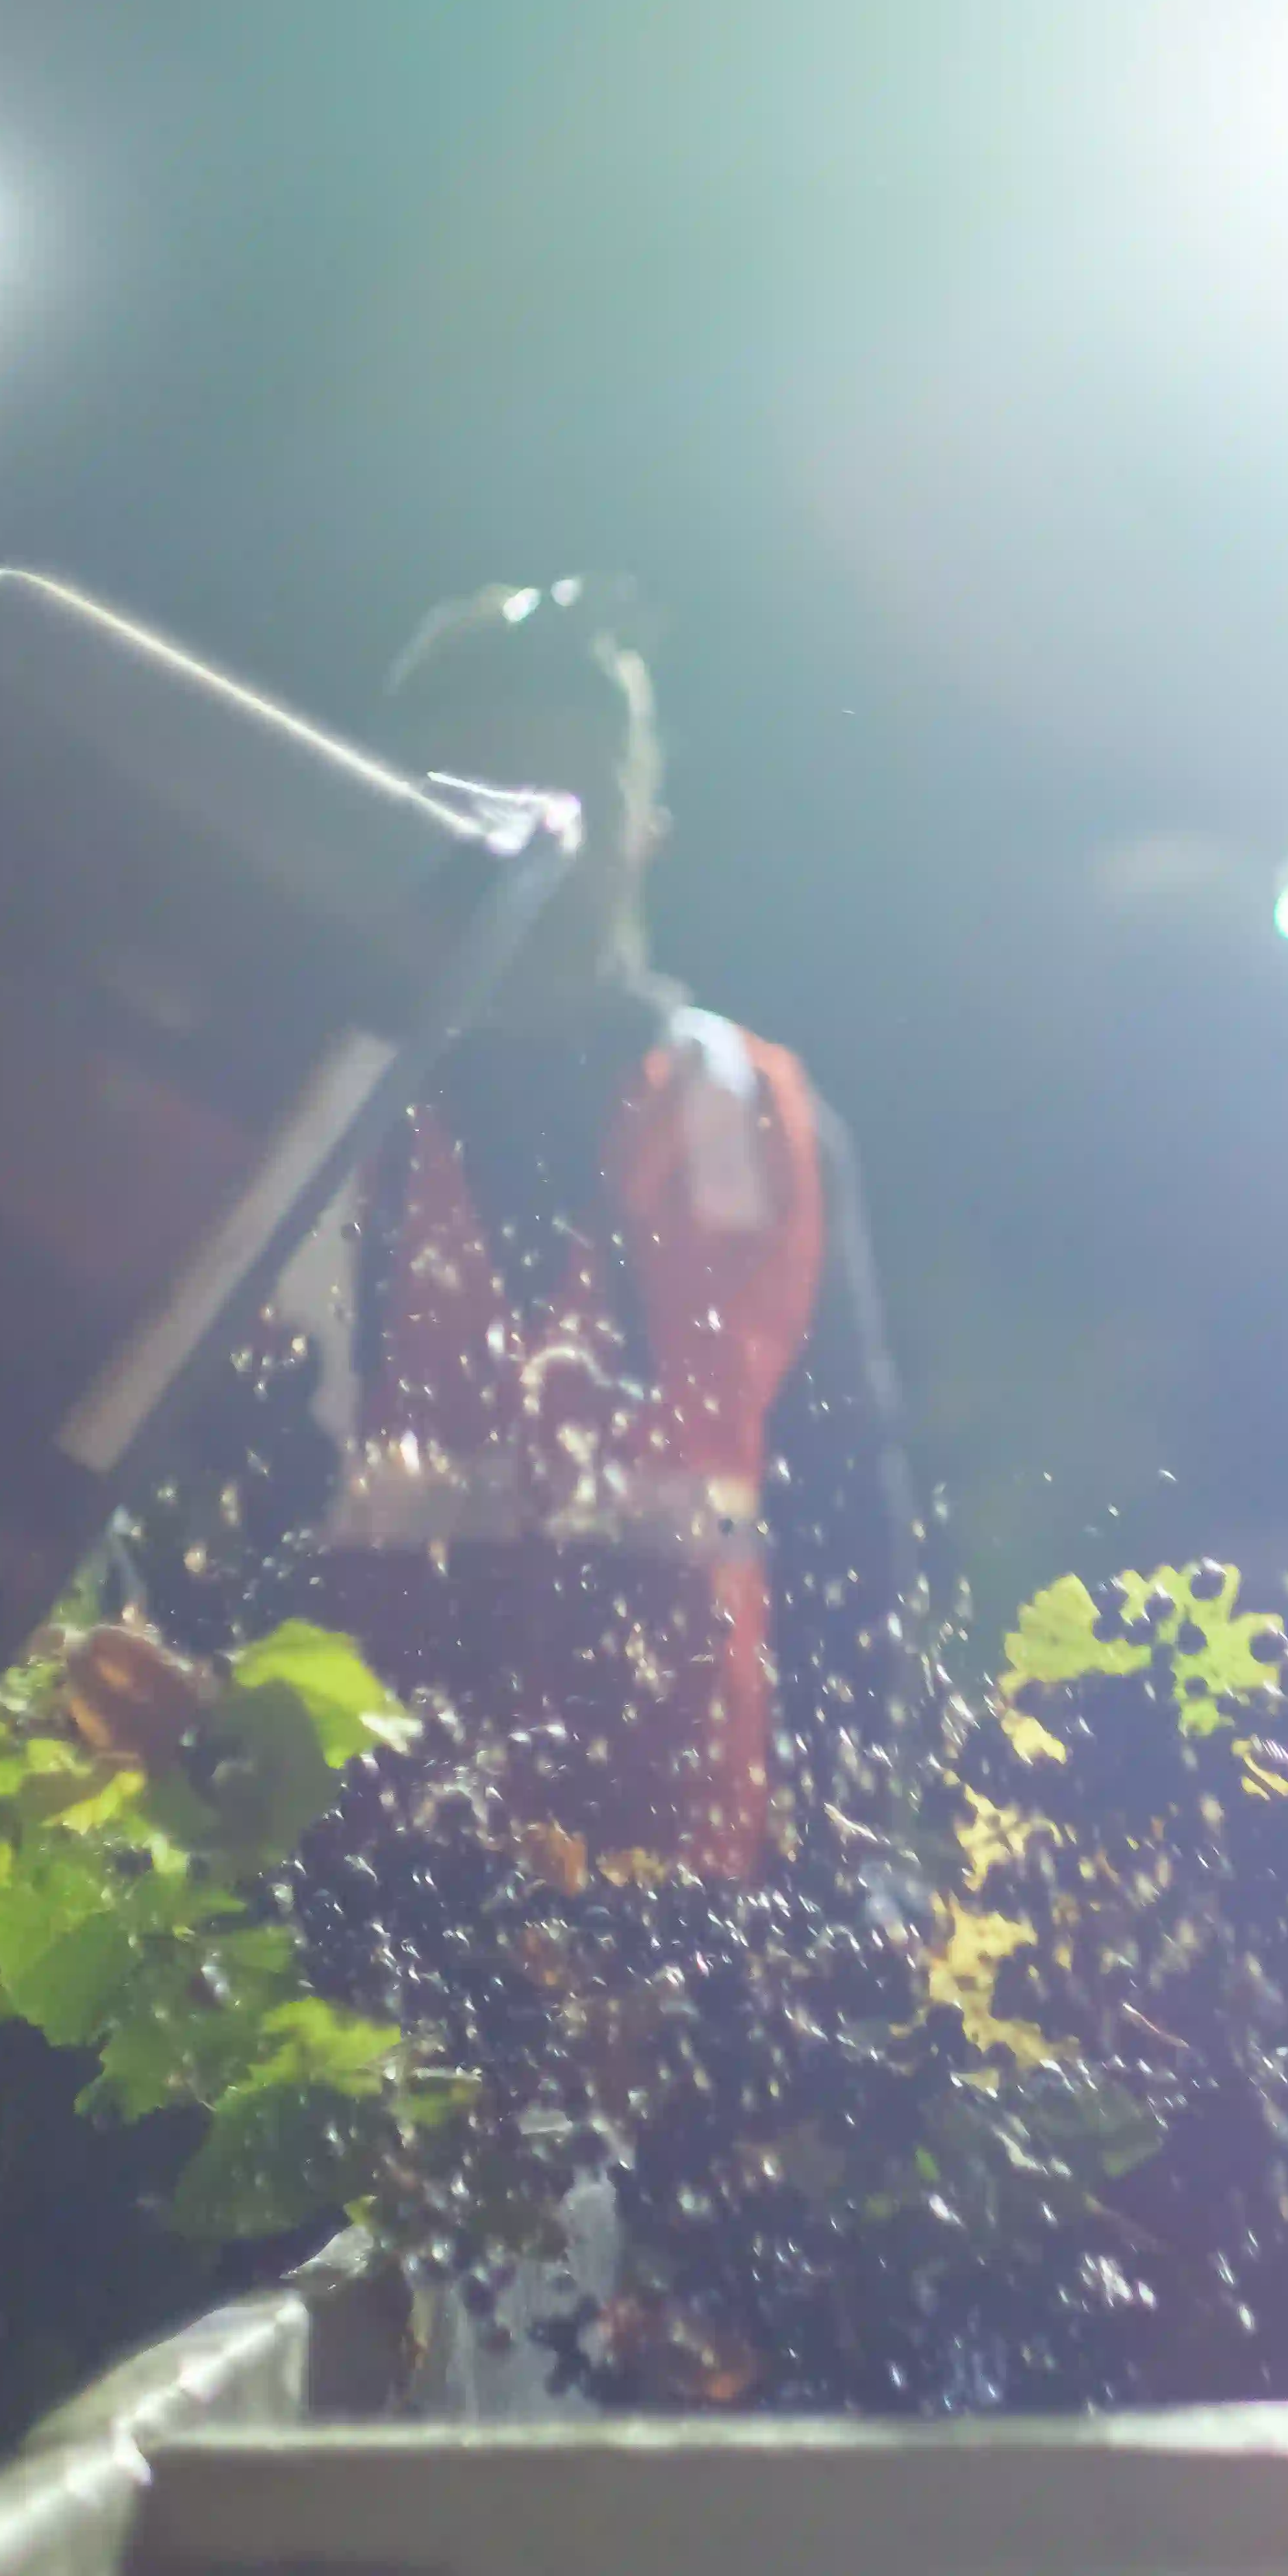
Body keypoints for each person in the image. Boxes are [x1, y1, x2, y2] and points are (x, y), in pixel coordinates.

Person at [190, 580, 933, 1880]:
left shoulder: (767, 1116)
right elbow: (187, 1473)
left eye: (578, 784)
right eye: (493, 777)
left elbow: (849, 1527)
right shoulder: (302, 1092)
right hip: (348, 1864)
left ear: (648, 821)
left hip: (689, 1880)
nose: (545, 827)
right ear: (410, 803)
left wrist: (860, 1852)